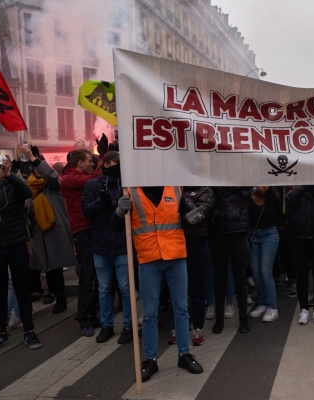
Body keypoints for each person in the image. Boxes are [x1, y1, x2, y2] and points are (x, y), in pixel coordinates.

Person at [113, 186, 203, 382]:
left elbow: (189, 218)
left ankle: (184, 354)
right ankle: (150, 359)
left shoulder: (175, 188)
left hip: (176, 256)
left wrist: (195, 213)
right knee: (150, 313)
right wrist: (120, 211)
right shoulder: (130, 190)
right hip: (148, 258)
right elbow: (116, 226)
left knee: (181, 309)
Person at [0, 154, 42, 353]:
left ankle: (29, 330)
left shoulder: (12, 184)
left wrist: (10, 175)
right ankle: (0, 332)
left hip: (16, 244)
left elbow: (27, 193)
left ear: (4, 168)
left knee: (21, 289)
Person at [82, 151, 133, 345]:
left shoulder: (125, 186)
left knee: (126, 288)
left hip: (121, 242)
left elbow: (130, 210)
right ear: (107, 163)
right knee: (104, 289)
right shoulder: (92, 185)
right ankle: (107, 325)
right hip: (101, 244)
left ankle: (127, 325)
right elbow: (86, 211)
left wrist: (113, 203)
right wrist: (101, 202)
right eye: (117, 163)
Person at [19, 145, 74, 315]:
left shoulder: (53, 184)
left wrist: (33, 158)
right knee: (45, 267)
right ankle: (50, 292)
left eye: (39, 168)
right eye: (34, 170)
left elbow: (51, 176)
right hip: (38, 233)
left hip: (53, 232)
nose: (37, 172)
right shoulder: (30, 188)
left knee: (55, 268)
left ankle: (61, 297)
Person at [61, 148, 101, 336]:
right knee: (87, 275)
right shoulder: (70, 178)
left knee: (94, 275)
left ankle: (91, 315)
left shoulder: (75, 176)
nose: (91, 164)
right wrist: (103, 157)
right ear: (79, 163)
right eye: (89, 161)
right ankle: (84, 317)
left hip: (91, 227)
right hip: (82, 229)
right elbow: (95, 179)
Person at [210, 187, 253, 334]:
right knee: (220, 280)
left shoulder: (243, 188)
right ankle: (219, 320)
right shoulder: (214, 188)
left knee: (239, 279)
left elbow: (250, 189)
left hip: (239, 235)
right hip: (219, 235)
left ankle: (243, 320)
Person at [286, 185, 314, 325]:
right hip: (299, 238)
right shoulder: (296, 188)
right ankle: (304, 309)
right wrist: (304, 185)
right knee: (302, 276)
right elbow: (290, 199)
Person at [181, 186, 215, 345]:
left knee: (196, 287)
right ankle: (179, 326)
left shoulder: (206, 190)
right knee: (178, 289)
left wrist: (181, 198)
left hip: (196, 242)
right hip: (175, 240)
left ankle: (198, 327)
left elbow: (198, 215)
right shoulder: (175, 188)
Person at [248, 186, 282, 322]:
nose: (264, 187)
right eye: (261, 183)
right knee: (255, 272)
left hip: (270, 234)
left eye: (266, 184)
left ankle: (273, 307)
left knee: (265, 272)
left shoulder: (273, 197)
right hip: (253, 235)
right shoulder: (248, 197)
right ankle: (263, 303)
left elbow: (279, 216)